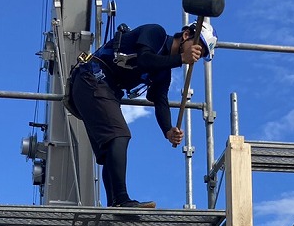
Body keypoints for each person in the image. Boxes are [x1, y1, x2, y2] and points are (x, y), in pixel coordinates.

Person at [69, 18, 217, 208]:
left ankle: (116, 202)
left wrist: (168, 130)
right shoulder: (156, 33)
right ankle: (121, 200)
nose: (196, 55)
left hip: (97, 87)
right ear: (186, 35)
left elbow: (159, 99)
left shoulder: (165, 71)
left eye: (201, 53)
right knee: (119, 135)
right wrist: (180, 59)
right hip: (91, 78)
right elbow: (145, 59)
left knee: (110, 150)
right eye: (198, 48)